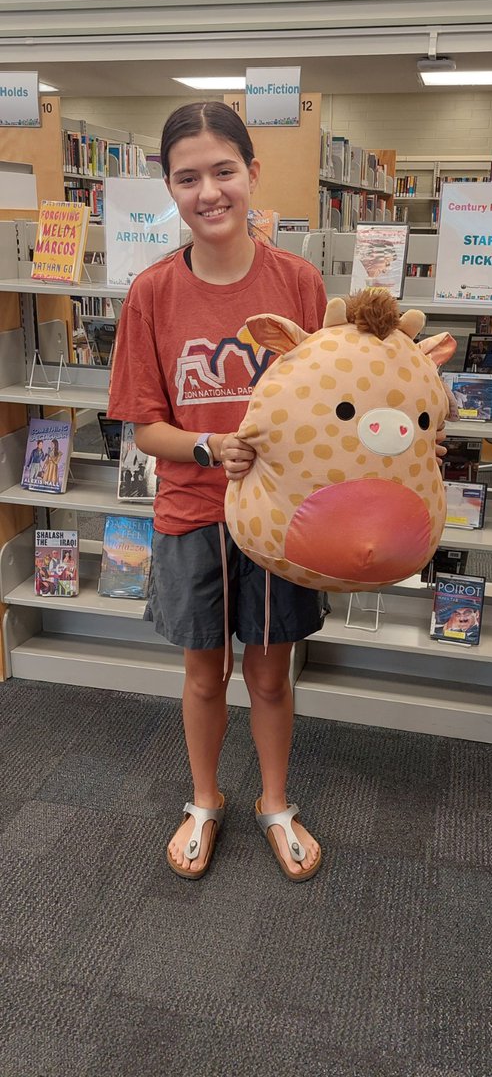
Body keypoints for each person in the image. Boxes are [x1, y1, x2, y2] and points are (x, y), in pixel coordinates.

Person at [107, 101, 329, 883]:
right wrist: (210, 445)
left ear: (251, 173)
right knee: (205, 674)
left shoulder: (298, 284)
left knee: (270, 673)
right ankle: (204, 799)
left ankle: (274, 801)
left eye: (223, 172)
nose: (209, 192)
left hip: (280, 521)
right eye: (188, 177)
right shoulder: (152, 293)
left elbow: (331, 400)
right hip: (193, 515)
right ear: (169, 186)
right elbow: (143, 427)